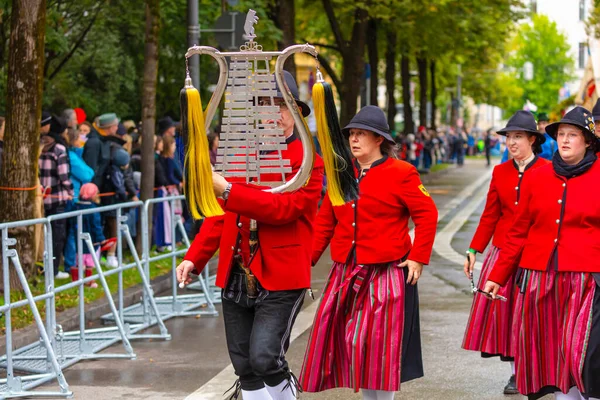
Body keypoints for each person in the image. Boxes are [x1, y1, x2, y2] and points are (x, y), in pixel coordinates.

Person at [177, 71, 324, 400]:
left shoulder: (309, 159)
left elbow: (283, 209)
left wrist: (229, 189)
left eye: (280, 106)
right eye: (264, 106)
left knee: (264, 357)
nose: (271, 114)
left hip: (282, 273)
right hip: (236, 271)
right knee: (244, 364)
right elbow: (220, 216)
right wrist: (193, 257)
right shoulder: (242, 153)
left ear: (296, 112)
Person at [299, 106, 438, 400]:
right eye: (351, 134)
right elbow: (326, 221)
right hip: (346, 271)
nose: (354, 139)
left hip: (386, 272)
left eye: (361, 134)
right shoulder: (341, 173)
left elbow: (427, 214)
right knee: (350, 344)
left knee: (378, 347)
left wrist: (418, 257)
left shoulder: (402, 172)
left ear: (378, 139)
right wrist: (305, 262)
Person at [484, 106, 600, 400]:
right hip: (540, 278)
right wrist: (498, 275)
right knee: (549, 355)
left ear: (587, 140)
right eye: (561, 134)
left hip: (585, 279)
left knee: (580, 353)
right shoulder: (539, 176)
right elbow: (518, 232)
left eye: (572, 135)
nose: (565, 140)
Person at [462, 110, 549, 395]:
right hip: (502, 252)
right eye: (509, 137)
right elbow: (489, 215)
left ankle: (537, 371)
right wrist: (474, 248)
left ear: (532, 140)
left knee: (533, 317)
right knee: (508, 318)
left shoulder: (547, 170)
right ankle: (515, 374)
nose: (512, 142)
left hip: (534, 253)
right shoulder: (500, 172)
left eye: (518, 137)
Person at [39, 116, 73, 280]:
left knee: (43, 235)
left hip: (40, 198)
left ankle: (42, 268)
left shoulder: (39, 146)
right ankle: (52, 271)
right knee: (57, 235)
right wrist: (70, 190)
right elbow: (64, 175)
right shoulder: (59, 149)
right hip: (57, 198)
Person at [72, 183, 104, 288]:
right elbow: (96, 225)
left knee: (79, 259)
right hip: (92, 240)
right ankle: (89, 280)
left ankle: (77, 280)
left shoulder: (76, 206)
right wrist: (101, 238)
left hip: (78, 239)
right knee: (90, 261)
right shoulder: (92, 209)